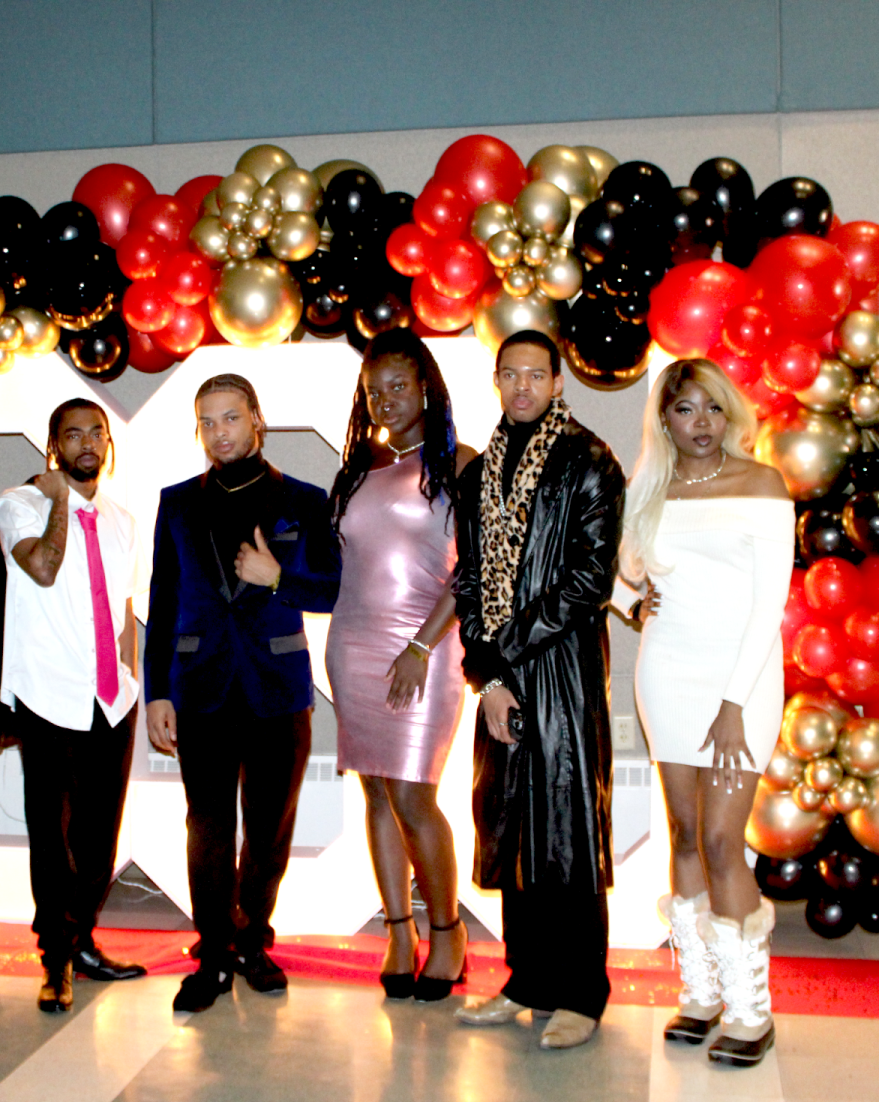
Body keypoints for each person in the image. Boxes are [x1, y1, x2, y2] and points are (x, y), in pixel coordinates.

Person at [144, 373, 341, 1014]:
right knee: (206, 827)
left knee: (269, 829)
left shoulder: (306, 500)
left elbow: (335, 591)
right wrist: (156, 693)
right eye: (207, 421)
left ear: (256, 419)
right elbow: (163, 602)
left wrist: (279, 578)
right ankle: (214, 951)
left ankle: (254, 939)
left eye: (230, 417)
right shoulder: (176, 504)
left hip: (278, 691)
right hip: (199, 690)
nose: (219, 431)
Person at [453, 329, 624, 1049]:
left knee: (568, 828)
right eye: (509, 375)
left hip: (562, 670)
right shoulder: (478, 472)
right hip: (501, 674)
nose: (521, 387)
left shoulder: (589, 461)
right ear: (496, 381)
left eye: (535, 375)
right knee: (511, 824)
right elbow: (465, 578)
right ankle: (528, 979)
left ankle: (582, 991)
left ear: (559, 382)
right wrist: (487, 673)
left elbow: (590, 581)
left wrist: (506, 649)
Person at [619, 358, 792, 1066]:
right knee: (685, 833)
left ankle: (751, 1007)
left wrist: (731, 704)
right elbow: (619, 573)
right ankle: (699, 992)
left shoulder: (762, 484)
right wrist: (634, 604)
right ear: (665, 419)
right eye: (686, 410)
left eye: (713, 409)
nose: (701, 423)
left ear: (731, 415)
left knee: (723, 839)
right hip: (666, 673)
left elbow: (768, 605)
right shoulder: (650, 489)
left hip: (740, 680)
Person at [325, 329, 475, 1001]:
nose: (385, 400)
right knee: (377, 791)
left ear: (425, 388)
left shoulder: (463, 465)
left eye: (398, 386)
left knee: (415, 793)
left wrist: (420, 644)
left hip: (427, 646)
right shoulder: (357, 471)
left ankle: (448, 931)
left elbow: (472, 573)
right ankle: (397, 930)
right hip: (352, 644)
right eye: (373, 391)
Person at [0, 398, 147, 1015]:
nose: (88, 443)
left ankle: (82, 939)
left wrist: (133, 680)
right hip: (47, 693)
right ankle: (54, 958)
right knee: (50, 835)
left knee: (98, 832)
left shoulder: (124, 519)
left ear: (108, 444)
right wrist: (60, 498)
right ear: (54, 446)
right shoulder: (20, 504)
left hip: (111, 697)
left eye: (97, 433)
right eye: (73, 434)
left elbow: (124, 609)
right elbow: (43, 567)